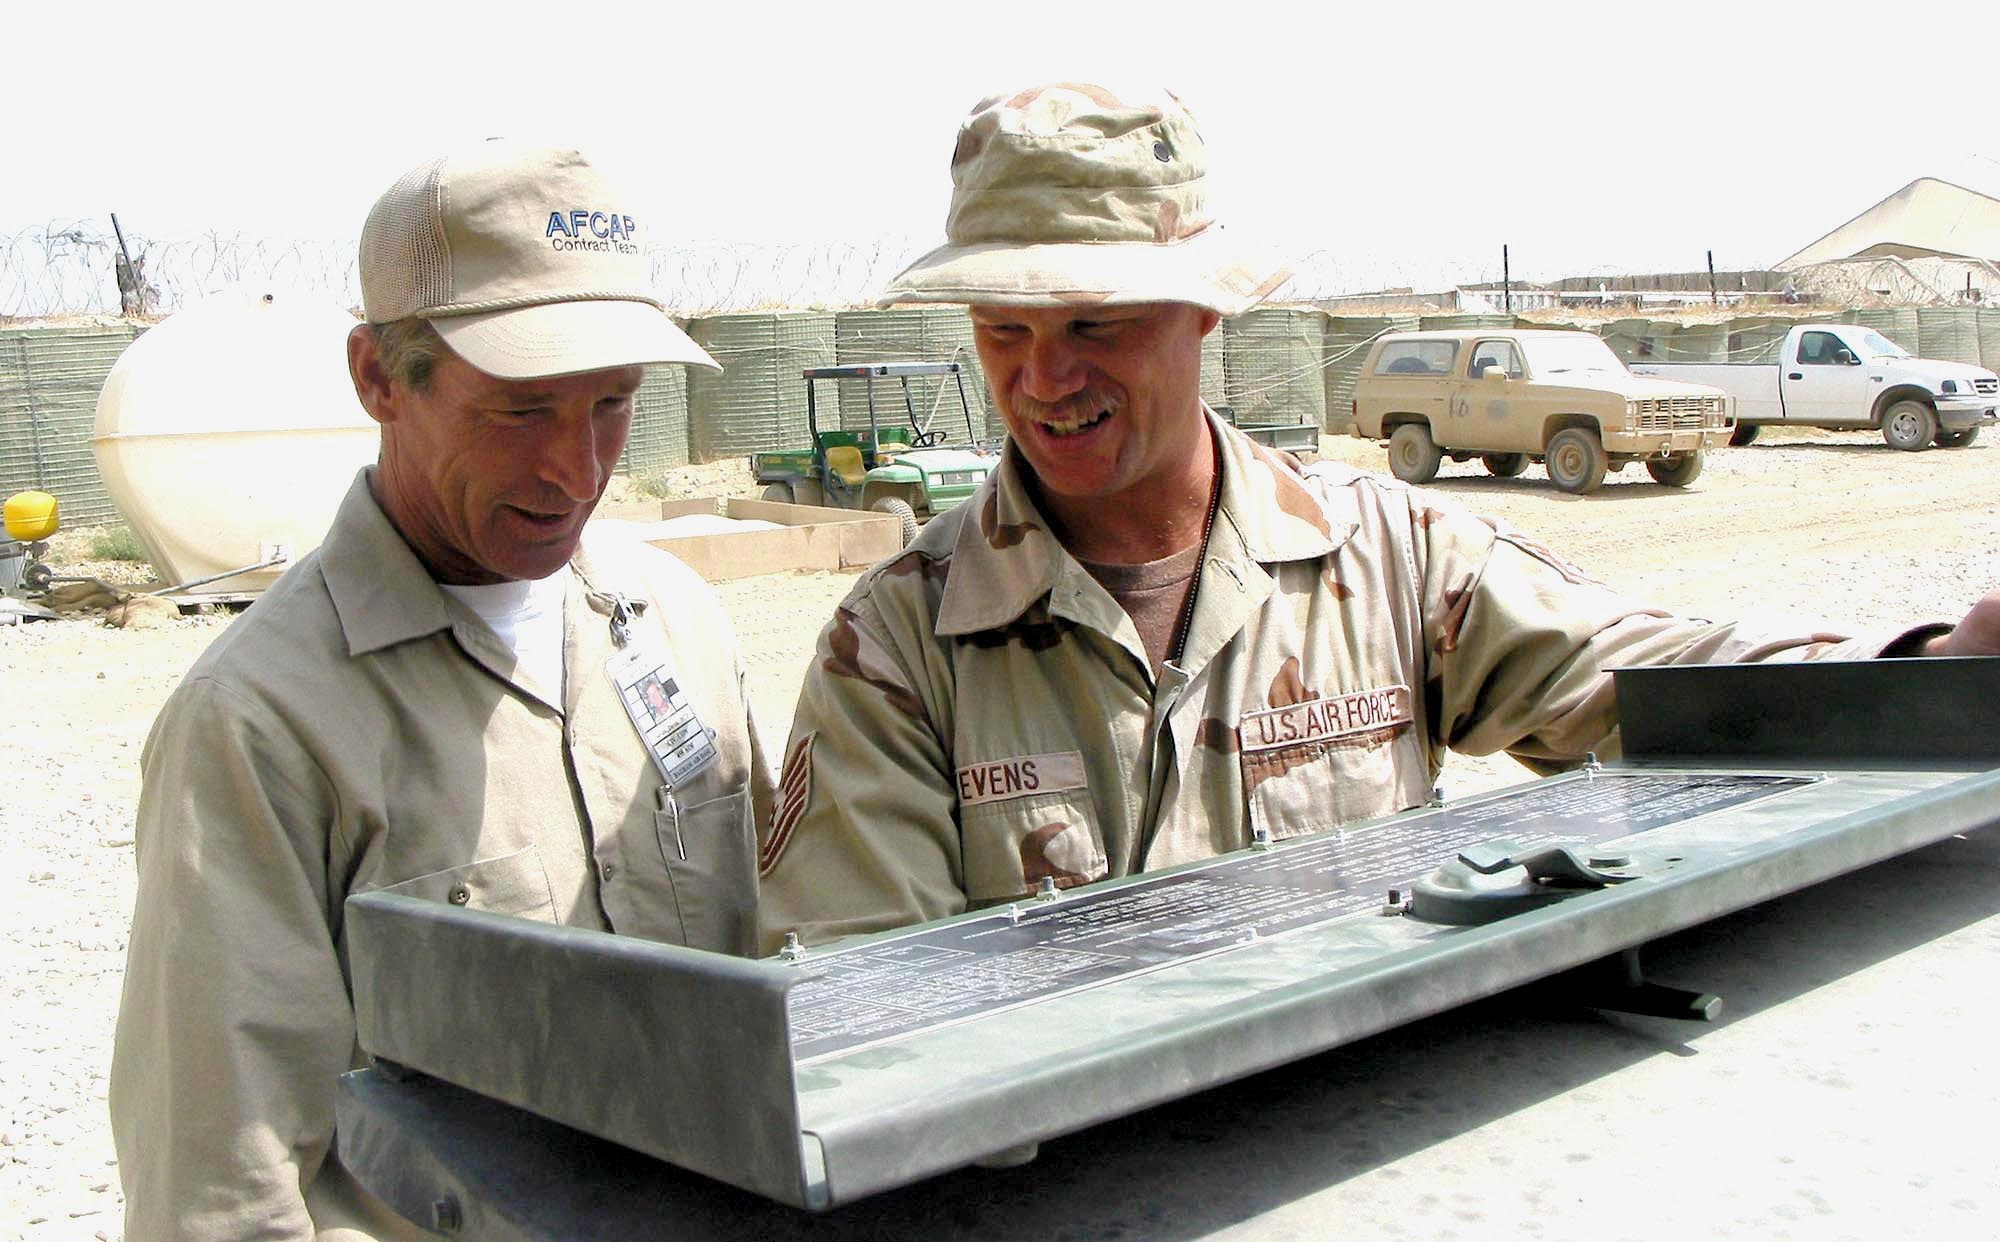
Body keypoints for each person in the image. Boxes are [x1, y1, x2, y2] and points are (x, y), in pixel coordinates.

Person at [754, 82, 2000, 950]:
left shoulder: (1385, 557)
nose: (1044, 378)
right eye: (1004, 330)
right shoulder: (899, 656)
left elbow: (1642, 679)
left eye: (1095, 323)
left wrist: (1929, 679)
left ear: (1204, 312)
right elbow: (867, 1022)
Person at [111, 140, 775, 1239]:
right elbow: (220, 1184)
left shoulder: (671, 620)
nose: (575, 467)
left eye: (611, 404)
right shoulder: (263, 721)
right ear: (378, 377)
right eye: (520, 411)